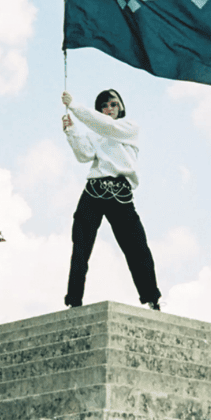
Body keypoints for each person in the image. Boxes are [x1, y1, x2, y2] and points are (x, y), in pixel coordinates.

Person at [61, 89, 161, 311]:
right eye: (104, 106)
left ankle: (152, 299)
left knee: (136, 246)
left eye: (114, 104)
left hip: (120, 192)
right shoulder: (95, 133)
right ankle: (74, 300)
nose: (109, 109)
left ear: (121, 107)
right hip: (94, 190)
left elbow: (108, 127)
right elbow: (84, 155)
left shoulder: (129, 129)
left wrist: (76, 107)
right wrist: (71, 130)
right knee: (81, 245)